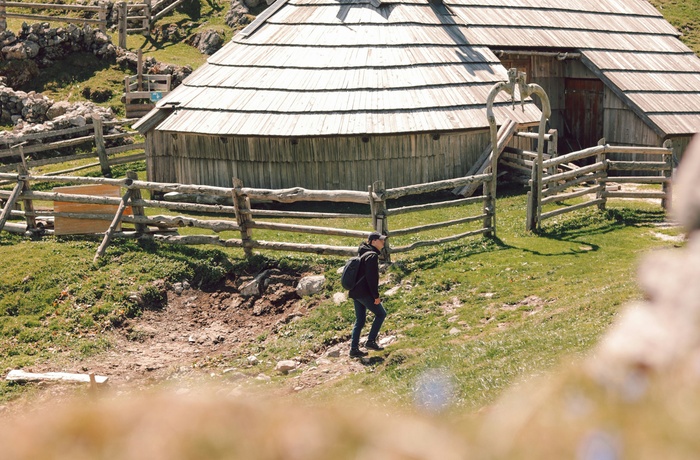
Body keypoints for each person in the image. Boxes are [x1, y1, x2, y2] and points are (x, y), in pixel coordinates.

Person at [348, 232, 388, 358]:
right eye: (381, 240)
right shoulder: (372, 256)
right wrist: (376, 296)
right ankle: (370, 341)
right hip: (364, 292)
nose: (383, 242)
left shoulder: (363, 253)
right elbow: (372, 278)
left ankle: (354, 349)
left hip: (355, 292)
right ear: (373, 241)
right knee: (381, 314)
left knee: (360, 320)